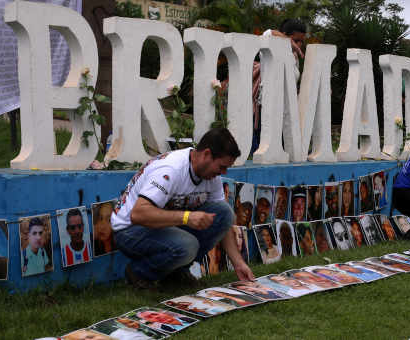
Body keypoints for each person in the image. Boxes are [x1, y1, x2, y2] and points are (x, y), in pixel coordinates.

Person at [111, 128, 254, 289]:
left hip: (159, 225)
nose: (223, 172)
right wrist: (186, 217)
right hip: (129, 230)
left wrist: (239, 263)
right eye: (221, 167)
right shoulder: (171, 169)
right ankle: (139, 273)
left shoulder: (211, 176)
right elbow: (138, 214)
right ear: (206, 154)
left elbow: (223, 223)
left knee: (224, 213)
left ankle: (176, 273)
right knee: (188, 245)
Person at [251, 19, 307, 156]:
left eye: (301, 41)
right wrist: (288, 42)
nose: (298, 44)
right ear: (284, 36)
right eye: (295, 40)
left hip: (286, 114)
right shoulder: (269, 50)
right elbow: (267, 33)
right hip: (267, 111)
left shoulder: (294, 59)